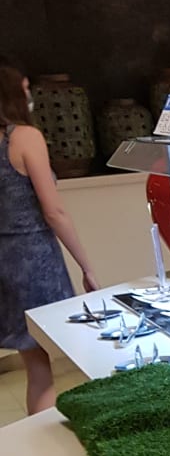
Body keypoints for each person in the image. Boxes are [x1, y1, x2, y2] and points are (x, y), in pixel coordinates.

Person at [0, 61, 98, 414]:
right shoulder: (25, 137)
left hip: (3, 260)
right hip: (33, 259)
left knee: (34, 361)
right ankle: (45, 436)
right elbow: (54, 211)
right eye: (26, 89)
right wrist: (87, 266)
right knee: (46, 365)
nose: (30, 96)